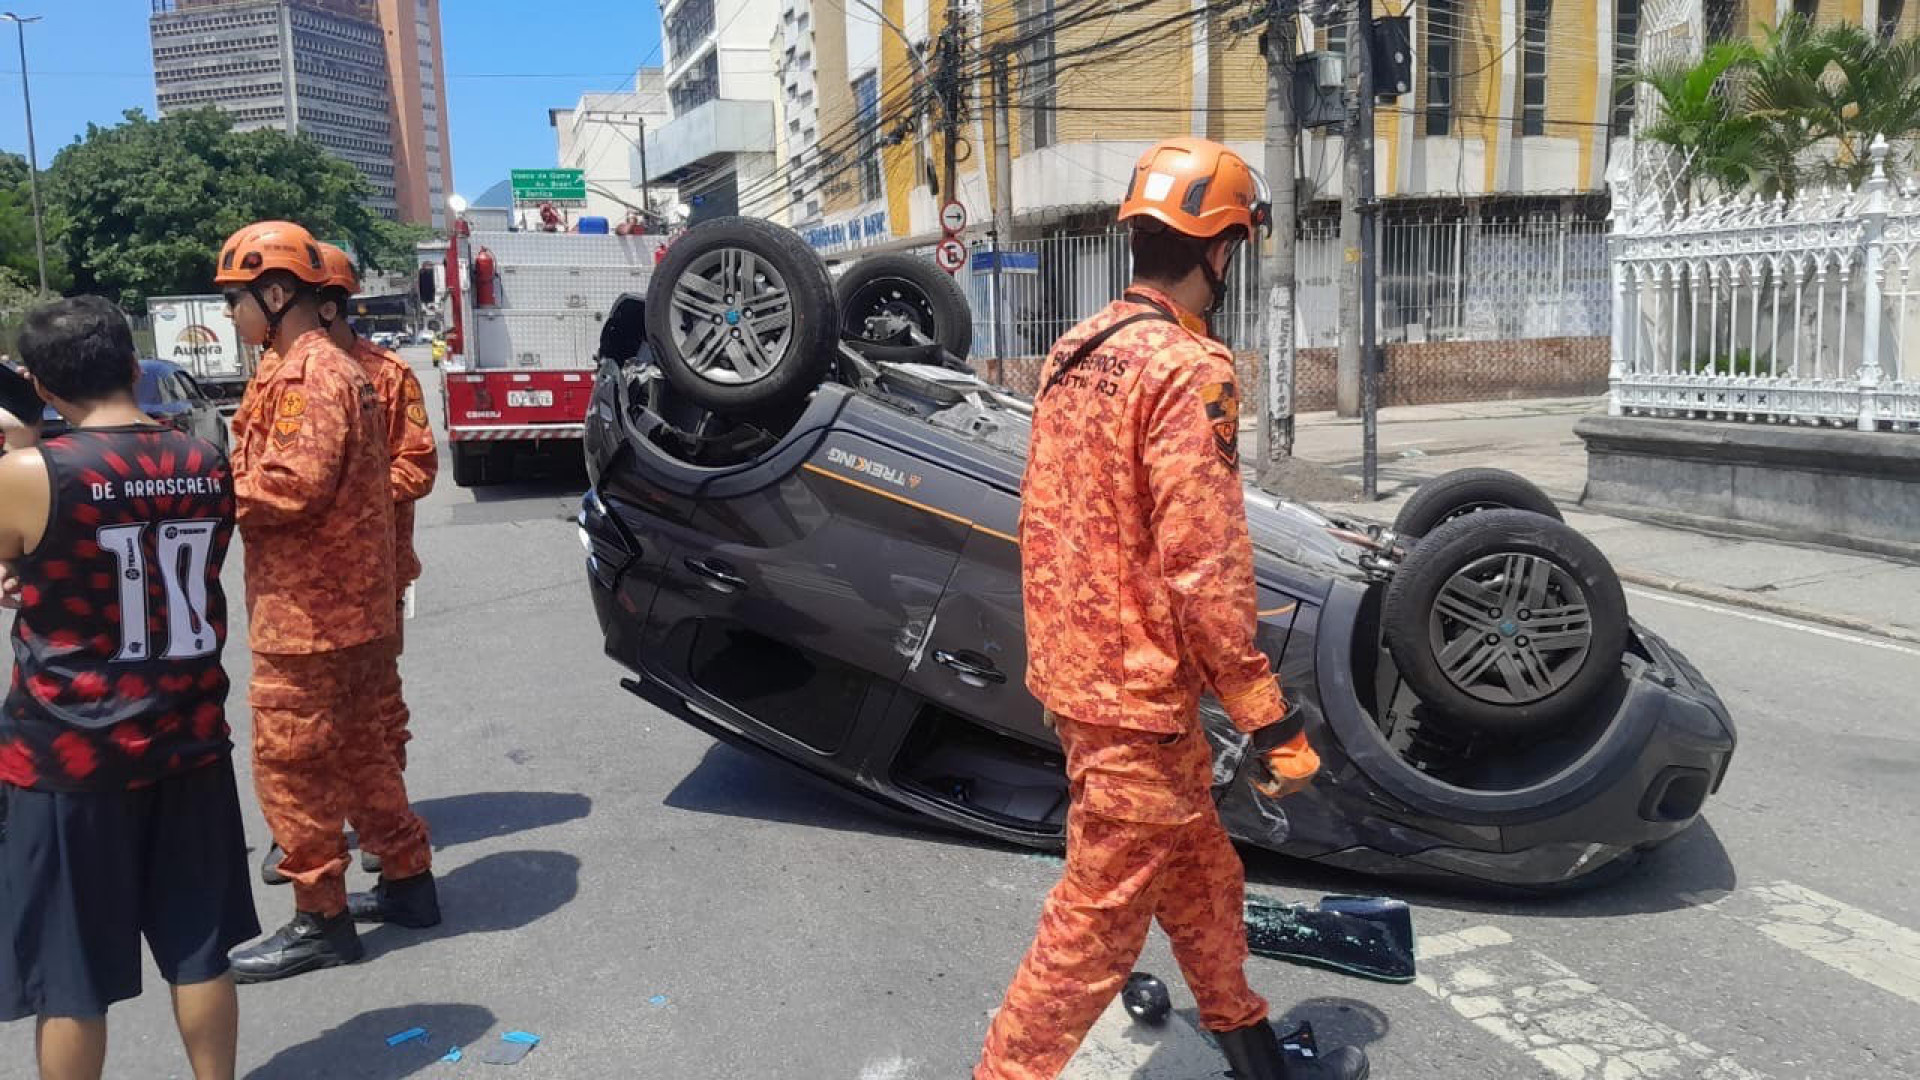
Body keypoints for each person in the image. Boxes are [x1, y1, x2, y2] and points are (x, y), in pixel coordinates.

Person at [972, 138, 1370, 1080]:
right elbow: (1205, 566)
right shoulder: (1191, 372)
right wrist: (1269, 717)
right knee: (1094, 931)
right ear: (1220, 249)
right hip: (1139, 698)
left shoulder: (1077, 351)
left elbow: (1053, 519)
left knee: (1203, 877)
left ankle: (1249, 1045)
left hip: (1080, 675)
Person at [0, 296, 259, 1080]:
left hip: (69, 753)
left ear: (41, 385)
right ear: (129, 362)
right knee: (198, 950)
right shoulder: (204, 458)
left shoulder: (31, 471)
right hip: (187, 738)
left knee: (69, 978)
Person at [214, 221, 438, 984]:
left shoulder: (309, 375)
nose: (231, 316)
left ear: (276, 295)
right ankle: (406, 880)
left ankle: (320, 917)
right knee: (360, 749)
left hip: (309, 614)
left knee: (294, 765)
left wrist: (206, 491)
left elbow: (290, 486)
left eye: (237, 300)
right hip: (347, 608)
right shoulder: (316, 368)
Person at [315, 241, 438, 883]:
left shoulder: (386, 374)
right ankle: (318, 827)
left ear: (328, 307)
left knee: (376, 701)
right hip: (299, 585)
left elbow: (418, 465)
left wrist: (345, 497)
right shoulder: (280, 377)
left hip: (372, 574)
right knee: (310, 711)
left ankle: (380, 825)